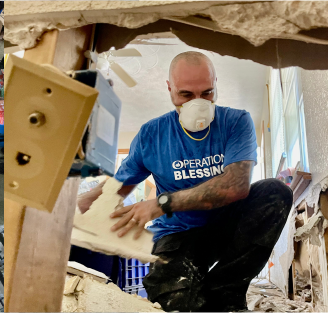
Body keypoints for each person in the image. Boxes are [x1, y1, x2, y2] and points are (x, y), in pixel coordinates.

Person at [77, 51, 292, 313]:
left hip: (227, 226)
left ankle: (226, 290)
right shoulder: (152, 135)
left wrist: (163, 202)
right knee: (175, 300)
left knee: (275, 192)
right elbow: (115, 187)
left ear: (216, 84)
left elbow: (236, 185)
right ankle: (198, 292)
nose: (198, 103)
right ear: (170, 89)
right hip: (178, 233)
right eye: (186, 95)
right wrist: (74, 207)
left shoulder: (236, 122)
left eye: (207, 93)